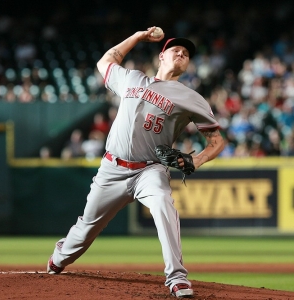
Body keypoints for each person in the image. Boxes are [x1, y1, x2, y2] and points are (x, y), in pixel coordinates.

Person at [47, 26, 225, 298]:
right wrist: (139, 36)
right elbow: (105, 61)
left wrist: (197, 160)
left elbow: (217, 140)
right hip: (111, 169)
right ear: (161, 56)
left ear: (187, 64)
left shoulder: (192, 99)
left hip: (150, 171)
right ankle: (58, 258)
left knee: (164, 206)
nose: (181, 53)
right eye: (175, 49)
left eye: (186, 53)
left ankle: (177, 278)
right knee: (84, 232)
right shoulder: (131, 78)